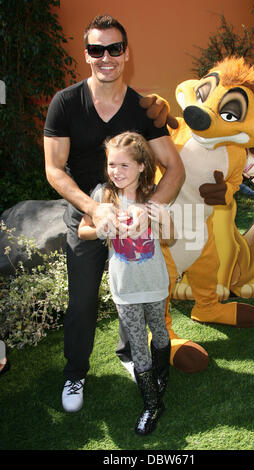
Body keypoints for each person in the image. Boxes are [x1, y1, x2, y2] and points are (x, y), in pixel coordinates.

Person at [43, 14, 185, 413]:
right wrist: (93, 209)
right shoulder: (66, 103)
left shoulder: (142, 108)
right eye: (96, 49)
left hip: (132, 216)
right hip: (87, 215)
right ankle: (75, 373)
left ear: (126, 53)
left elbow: (174, 168)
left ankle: (129, 353)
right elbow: (54, 168)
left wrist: (149, 209)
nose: (106, 56)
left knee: (136, 291)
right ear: (86, 54)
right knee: (83, 300)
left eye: (114, 48)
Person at [78, 131, 174, 435]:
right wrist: (101, 227)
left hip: (154, 281)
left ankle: (162, 379)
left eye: (124, 166)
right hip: (124, 286)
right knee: (136, 342)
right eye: (111, 165)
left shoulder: (154, 195)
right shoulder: (101, 195)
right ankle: (152, 405)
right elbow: (83, 231)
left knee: (159, 331)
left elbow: (169, 238)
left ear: (142, 166)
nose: (116, 172)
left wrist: (163, 218)